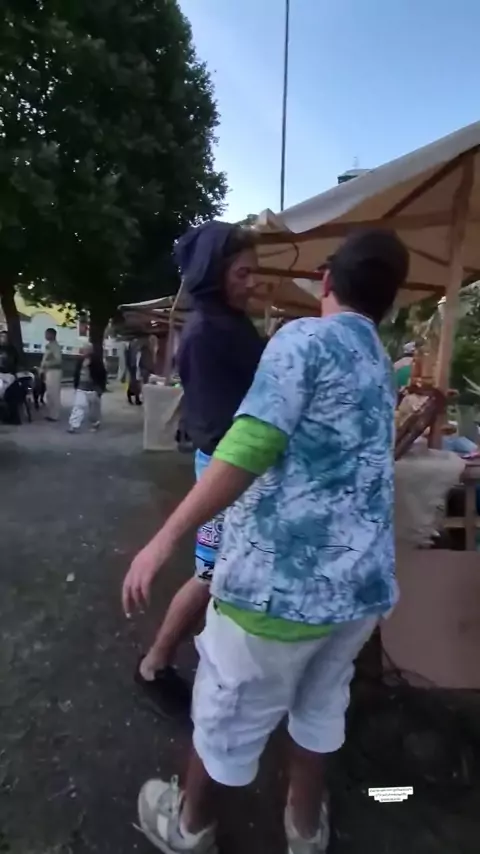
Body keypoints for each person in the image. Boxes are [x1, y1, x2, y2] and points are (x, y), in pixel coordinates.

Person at [122, 228, 410, 854]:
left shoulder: (302, 338)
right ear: (388, 302)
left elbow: (250, 444)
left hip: (282, 588)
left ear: (326, 281)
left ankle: (189, 828)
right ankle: (304, 829)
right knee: (319, 704)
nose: (251, 282)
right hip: (360, 591)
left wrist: (164, 537)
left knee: (227, 717)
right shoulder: (379, 359)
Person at [133, 221, 264, 717]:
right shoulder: (207, 333)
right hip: (223, 474)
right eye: (243, 273)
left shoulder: (230, 321)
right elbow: (214, 429)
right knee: (209, 575)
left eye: (255, 272)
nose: (254, 282)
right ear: (213, 273)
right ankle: (155, 663)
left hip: (236, 472)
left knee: (220, 574)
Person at [68, 344, 107, 432]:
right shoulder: (80, 361)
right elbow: (76, 374)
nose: (83, 351)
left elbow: (102, 375)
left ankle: (95, 423)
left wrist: (100, 388)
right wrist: (76, 385)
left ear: (90, 350)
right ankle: (74, 425)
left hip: (93, 388)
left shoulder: (97, 361)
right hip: (81, 387)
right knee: (78, 405)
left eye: (85, 349)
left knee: (94, 409)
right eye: (83, 349)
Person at [40, 327, 63, 421]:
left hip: (54, 371)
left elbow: (58, 360)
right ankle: (51, 413)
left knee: (54, 393)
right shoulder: (49, 346)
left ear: (52, 335)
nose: (45, 336)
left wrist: (47, 364)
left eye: (47, 334)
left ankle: (55, 415)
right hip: (49, 372)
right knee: (49, 394)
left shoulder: (55, 347)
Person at [0, 331, 21, 424]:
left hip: (9, 374)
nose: (3, 339)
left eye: (5, 337)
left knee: (10, 392)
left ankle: (11, 417)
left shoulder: (12, 349)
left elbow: (14, 362)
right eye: (1, 337)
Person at [126, 338, 142, 405]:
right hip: (133, 367)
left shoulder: (134, 350)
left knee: (134, 383)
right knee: (135, 383)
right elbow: (130, 360)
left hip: (134, 367)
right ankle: (136, 398)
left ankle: (133, 397)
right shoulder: (131, 350)